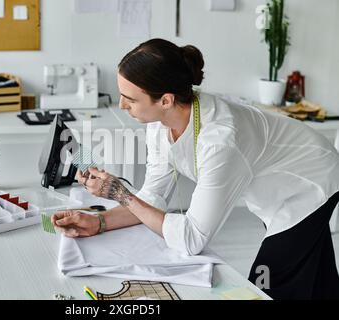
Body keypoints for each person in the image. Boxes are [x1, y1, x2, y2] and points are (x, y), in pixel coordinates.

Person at [51, 38, 339, 300]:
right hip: (278, 181)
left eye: (130, 98)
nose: (121, 104)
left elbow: (192, 239)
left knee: (265, 283)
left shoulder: (220, 139)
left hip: (309, 179)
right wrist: (99, 222)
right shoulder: (160, 124)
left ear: (165, 100)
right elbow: (151, 199)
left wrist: (121, 194)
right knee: (315, 270)